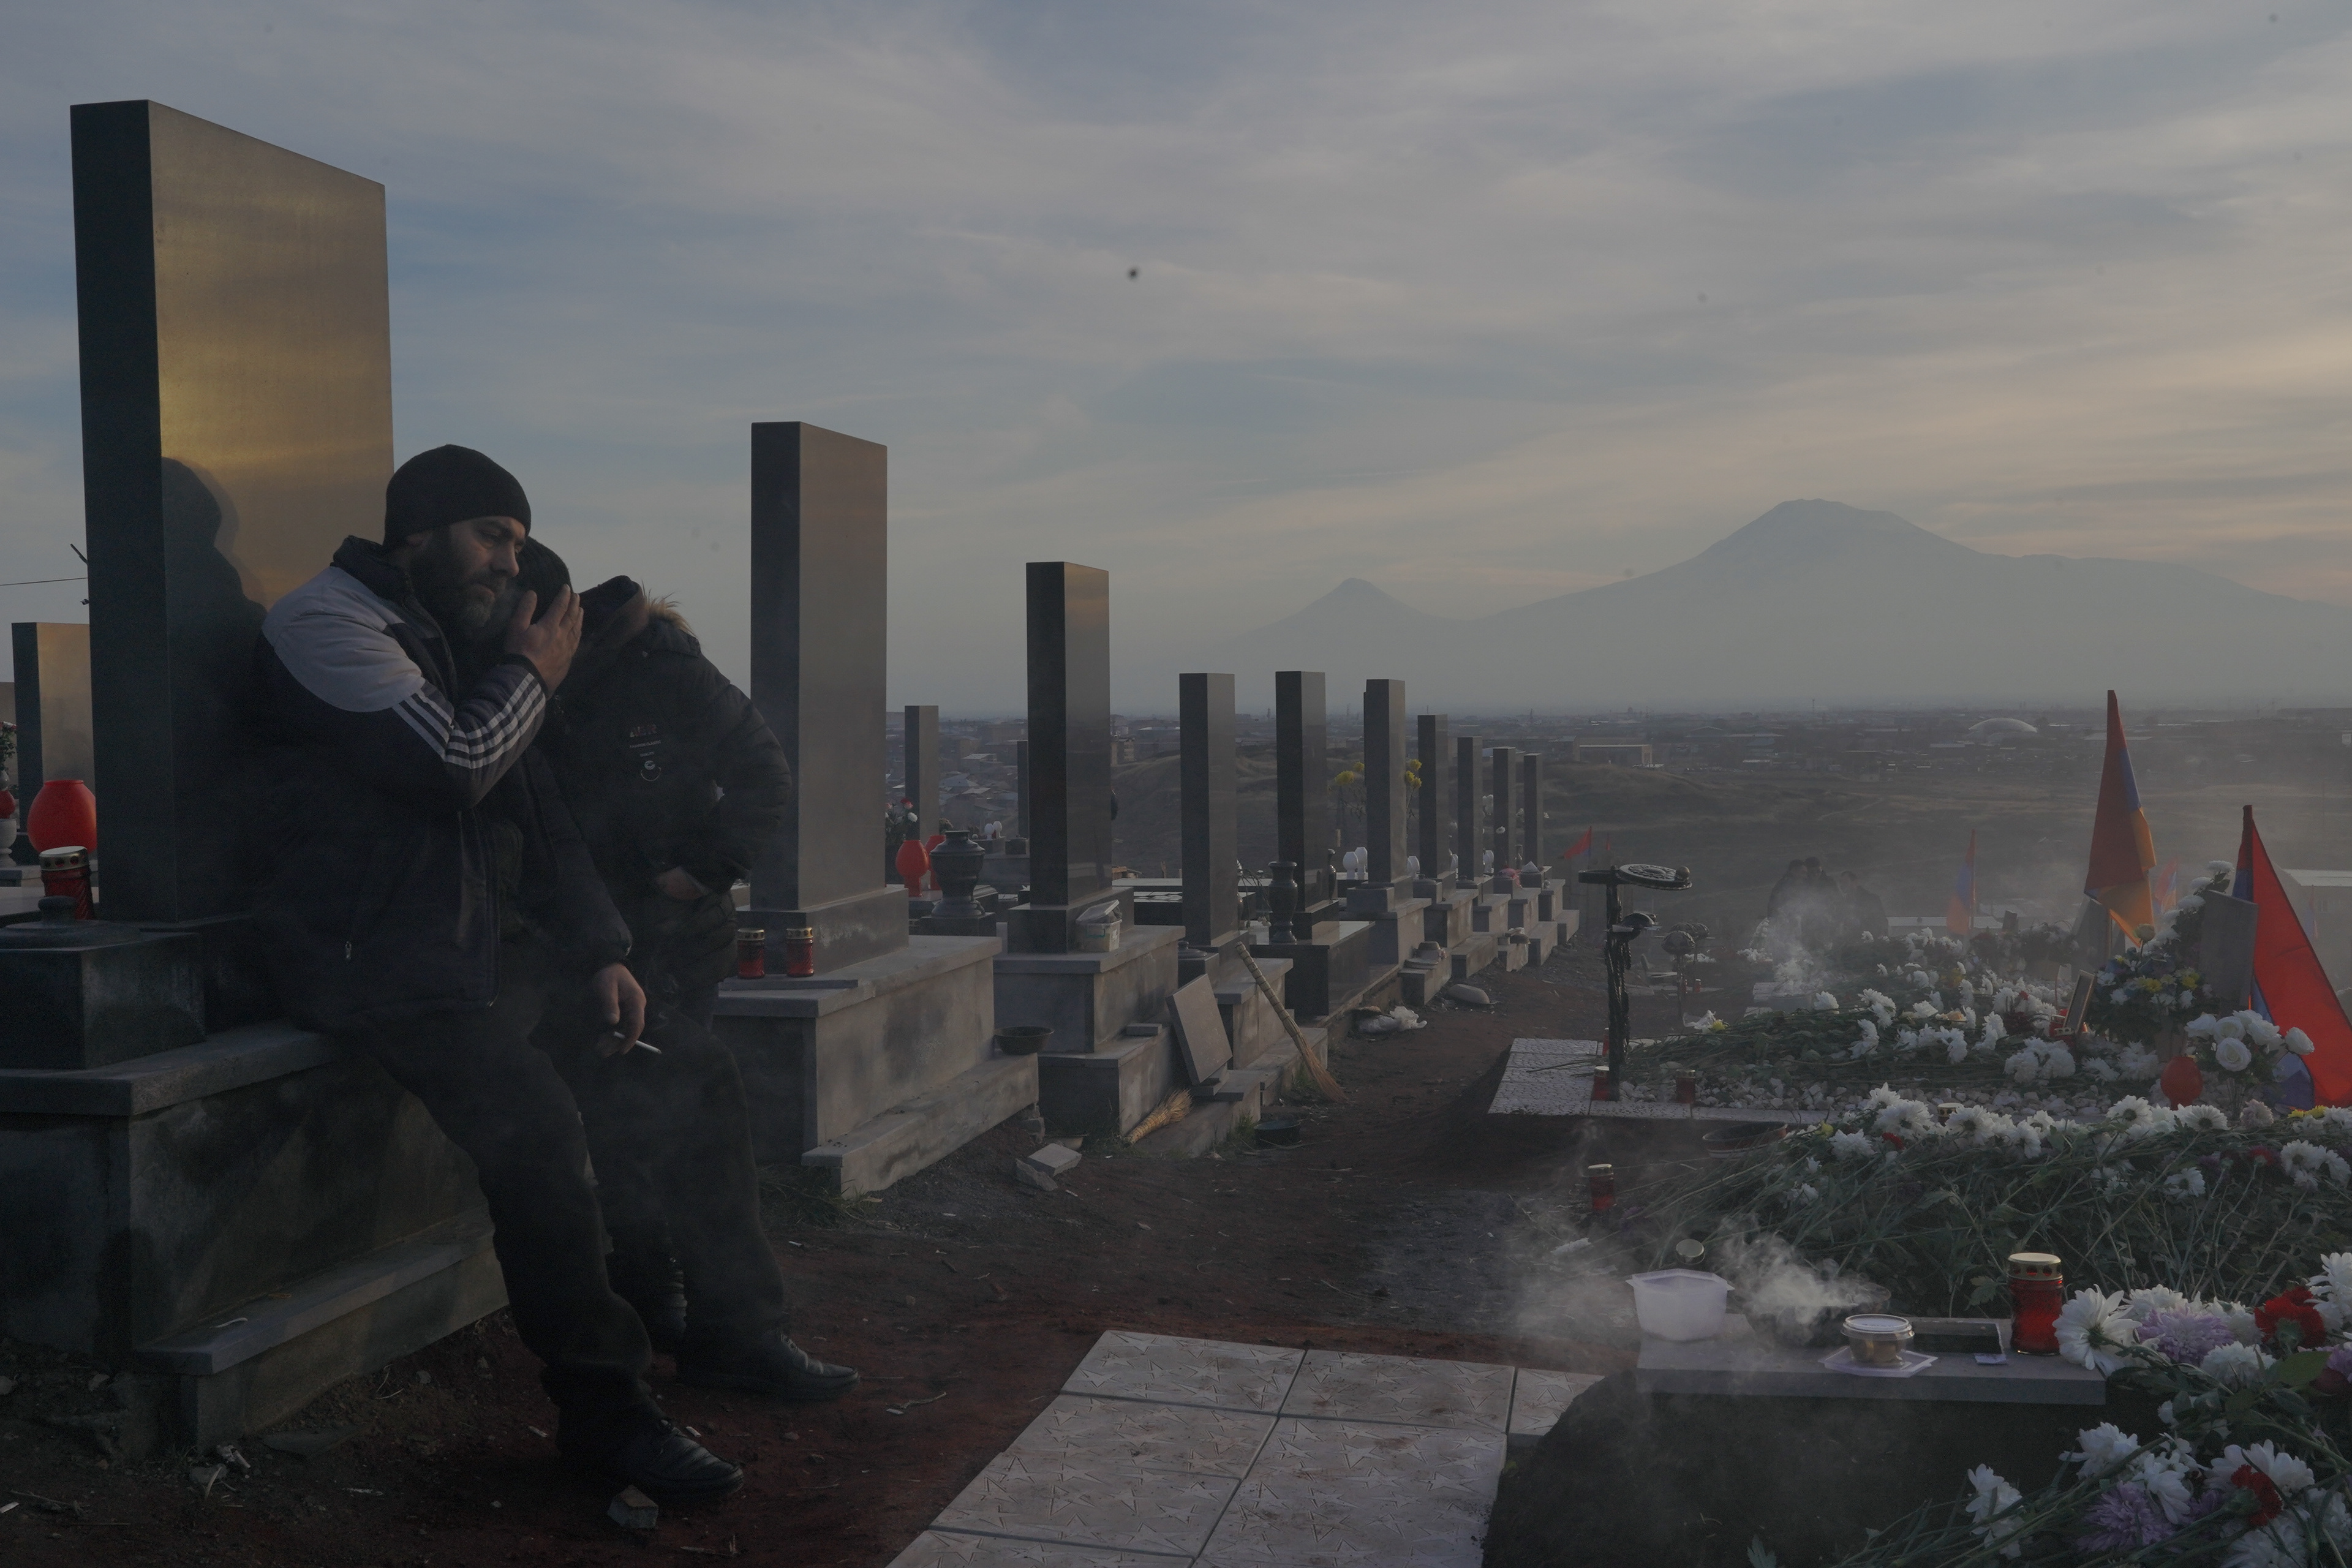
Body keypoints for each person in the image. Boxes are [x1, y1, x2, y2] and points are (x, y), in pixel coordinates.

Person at [250, 445, 853, 1509]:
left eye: (518, 544)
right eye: (494, 536)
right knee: (537, 1131)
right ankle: (606, 1412)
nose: (506, 563)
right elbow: (455, 764)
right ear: (417, 531)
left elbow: (537, 813)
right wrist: (533, 675)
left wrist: (604, 951)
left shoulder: (456, 632)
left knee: (691, 1074)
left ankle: (735, 1331)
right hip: (377, 960)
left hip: (477, 947)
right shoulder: (328, 622)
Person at [516, 540, 792, 1348]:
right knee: (617, 1113)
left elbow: (762, 773)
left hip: (672, 931)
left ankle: (684, 1294)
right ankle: (649, 1284)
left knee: (668, 1104)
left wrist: (697, 873)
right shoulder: (544, 680)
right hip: (588, 929)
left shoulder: (665, 669)